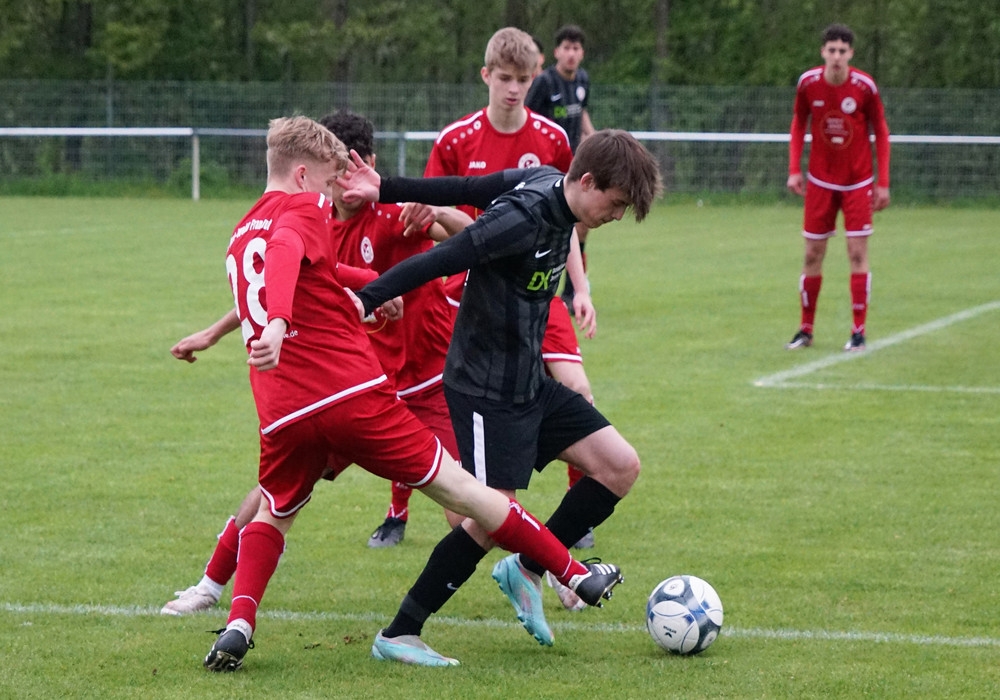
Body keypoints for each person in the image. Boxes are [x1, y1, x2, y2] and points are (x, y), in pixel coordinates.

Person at [199, 115, 624, 672]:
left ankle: (239, 621)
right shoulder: (302, 210)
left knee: (274, 511)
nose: (332, 194)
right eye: (327, 181)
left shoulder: (241, 230)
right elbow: (287, 253)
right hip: (351, 395)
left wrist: (365, 293)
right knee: (470, 496)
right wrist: (280, 321)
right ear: (302, 175)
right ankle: (573, 574)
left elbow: (313, 272)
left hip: (282, 407)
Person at [342, 128, 663, 664]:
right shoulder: (519, 220)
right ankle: (400, 632)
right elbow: (442, 259)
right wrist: (367, 297)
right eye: (616, 203)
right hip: (485, 390)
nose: (616, 215)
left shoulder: (549, 184)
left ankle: (527, 567)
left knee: (619, 466)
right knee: (491, 516)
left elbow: (468, 186)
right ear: (587, 182)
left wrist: (387, 186)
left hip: (529, 382)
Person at [160, 109, 467, 615]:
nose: (344, 182)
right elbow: (276, 286)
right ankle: (209, 586)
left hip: (422, 381)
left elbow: (471, 239)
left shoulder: (395, 214)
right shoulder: (313, 221)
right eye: (337, 172)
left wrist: (435, 207)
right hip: (348, 385)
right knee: (272, 494)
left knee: (464, 506)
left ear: (369, 166)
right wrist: (214, 332)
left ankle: (542, 572)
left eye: (353, 169)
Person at [366, 26, 599, 556]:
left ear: (535, 78)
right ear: (486, 76)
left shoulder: (552, 139)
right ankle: (400, 511)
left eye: (523, 80)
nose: (513, 89)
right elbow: (431, 219)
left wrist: (580, 288)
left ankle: (575, 512)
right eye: (504, 79)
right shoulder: (456, 140)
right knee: (423, 401)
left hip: (539, 291)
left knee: (579, 391)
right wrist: (445, 221)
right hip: (471, 293)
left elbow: (565, 220)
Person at [785, 23, 891, 352]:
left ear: (850, 54)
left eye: (842, 51)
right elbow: (798, 123)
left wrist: (883, 182)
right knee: (812, 253)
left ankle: (858, 332)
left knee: (857, 253)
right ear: (823, 52)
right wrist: (794, 169)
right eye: (831, 50)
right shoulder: (808, 83)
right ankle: (805, 330)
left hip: (857, 182)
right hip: (819, 181)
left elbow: (881, 131)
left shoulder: (864, 87)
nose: (836, 57)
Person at [525, 25, 596, 318]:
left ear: (582, 53)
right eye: (566, 48)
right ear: (556, 52)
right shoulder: (544, 82)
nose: (571, 54)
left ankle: (572, 291)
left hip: (574, 164)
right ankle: (540, 283)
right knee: (552, 225)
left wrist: (594, 139)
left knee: (582, 223)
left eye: (576, 48)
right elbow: (527, 118)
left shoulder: (582, 80)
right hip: (547, 167)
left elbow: (582, 112)